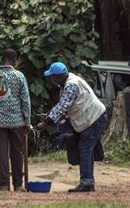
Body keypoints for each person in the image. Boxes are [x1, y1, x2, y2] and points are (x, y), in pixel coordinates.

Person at [36, 62, 108, 192]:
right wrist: (48, 116)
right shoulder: (67, 83)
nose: (51, 79)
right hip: (91, 118)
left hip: (93, 119)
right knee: (86, 149)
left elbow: (64, 106)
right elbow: (64, 106)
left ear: (58, 77)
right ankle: (88, 181)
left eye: (52, 76)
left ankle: (86, 183)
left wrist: (47, 122)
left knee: (85, 148)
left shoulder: (71, 85)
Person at [0, 48, 31, 191]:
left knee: (2, 152)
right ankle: (18, 185)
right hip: (17, 121)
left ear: (2, 58)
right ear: (15, 60)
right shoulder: (19, 76)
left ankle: (4, 184)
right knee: (17, 152)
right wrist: (27, 121)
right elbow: (25, 100)